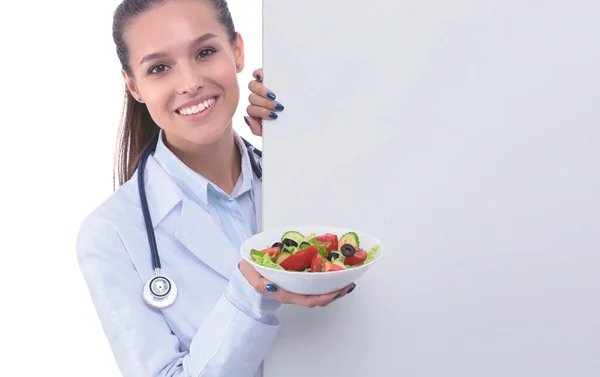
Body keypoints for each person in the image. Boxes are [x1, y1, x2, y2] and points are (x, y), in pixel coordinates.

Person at [75, 1, 355, 377]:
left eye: (205, 52)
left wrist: (299, 147)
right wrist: (249, 293)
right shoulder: (109, 234)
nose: (189, 83)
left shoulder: (292, 175)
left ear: (237, 51)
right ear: (133, 86)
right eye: (159, 68)